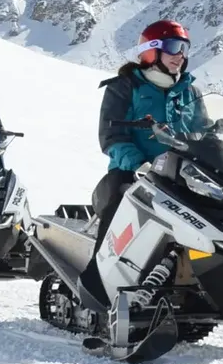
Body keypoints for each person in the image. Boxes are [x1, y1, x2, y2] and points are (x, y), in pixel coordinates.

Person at [88, 19, 205, 274]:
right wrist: (140, 165)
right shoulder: (125, 87)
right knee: (123, 198)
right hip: (135, 172)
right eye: (174, 47)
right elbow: (112, 136)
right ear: (152, 50)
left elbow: (203, 135)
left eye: (185, 49)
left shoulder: (191, 92)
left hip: (181, 176)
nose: (180, 56)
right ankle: (97, 277)